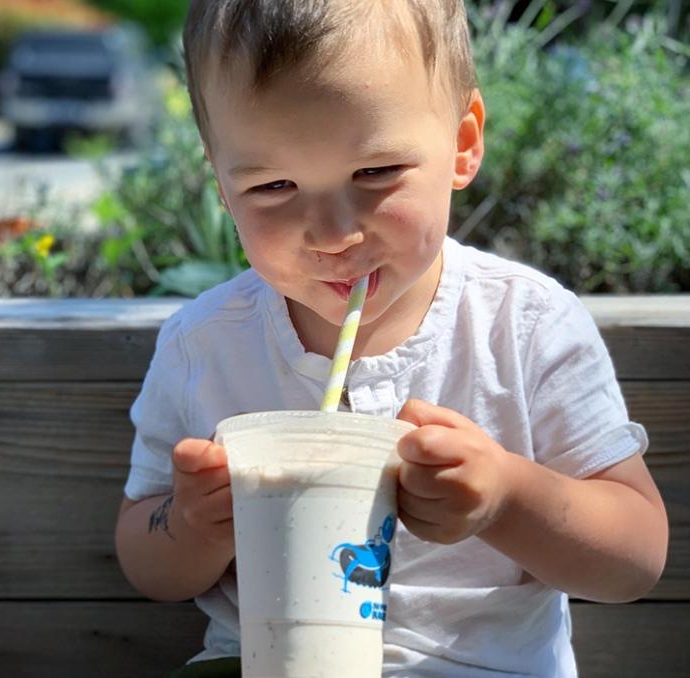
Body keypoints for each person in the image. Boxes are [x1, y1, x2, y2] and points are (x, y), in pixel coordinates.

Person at [114, 1, 669, 676]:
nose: (333, 234)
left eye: (375, 173)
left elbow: (635, 558)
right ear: (222, 185)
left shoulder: (523, 327)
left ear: (463, 143)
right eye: (272, 185)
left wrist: (505, 497)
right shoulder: (203, 346)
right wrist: (191, 526)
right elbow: (148, 563)